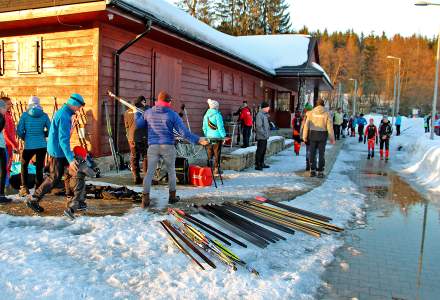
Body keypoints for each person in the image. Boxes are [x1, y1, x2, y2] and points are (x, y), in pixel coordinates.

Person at [136, 91, 208, 208]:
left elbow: (139, 125)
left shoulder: (148, 113)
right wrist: (197, 139)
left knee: (149, 173)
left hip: (153, 146)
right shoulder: (172, 114)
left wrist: (138, 114)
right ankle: (172, 197)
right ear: (168, 102)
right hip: (168, 146)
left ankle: (145, 200)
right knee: (171, 171)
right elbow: (184, 133)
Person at [26, 93, 87, 216]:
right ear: (74, 104)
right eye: (79, 106)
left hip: (59, 150)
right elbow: (63, 139)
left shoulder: (64, 113)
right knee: (54, 178)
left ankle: (72, 200)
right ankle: (34, 199)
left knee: (69, 173)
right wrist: (70, 158)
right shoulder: (64, 116)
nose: (79, 109)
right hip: (58, 151)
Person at [16, 96, 51, 196]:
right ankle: (38, 187)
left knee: (24, 164)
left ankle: (24, 187)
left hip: (29, 144)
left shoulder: (25, 115)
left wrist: (25, 137)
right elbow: (50, 129)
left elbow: (19, 131)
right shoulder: (44, 115)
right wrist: (43, 134)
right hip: (41, 145)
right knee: (39, 167)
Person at [302, 99, 335, 178]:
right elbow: (330, 127)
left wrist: (304, 137)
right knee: (321, 154)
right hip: (322, 135)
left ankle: (312, 171)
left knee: (312, 153)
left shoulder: (310, 113)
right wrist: (332, 138)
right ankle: (320, 171)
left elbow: (306, 126)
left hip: (312, 135)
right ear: (323, 104)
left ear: (316, 104)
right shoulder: (327, 113)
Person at [124, 95, 149, 184]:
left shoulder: (127, 112)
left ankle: (136, 177)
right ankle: (146, 178)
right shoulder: (144, 111)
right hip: (143, 137)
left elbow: (126, 126)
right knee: (146, 156)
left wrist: (129, 137)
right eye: (145, 102)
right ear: (142, 102)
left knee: (134, 157)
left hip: (131, 138)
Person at [203, 99, 226, 175]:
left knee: (209, 153)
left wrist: (207, 135)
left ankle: (209, 168)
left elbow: (204, 127)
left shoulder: (206, 115)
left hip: (209, 137)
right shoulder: (217, 115)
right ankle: (216, 168)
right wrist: (223, 136)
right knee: (217, 153)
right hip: (217, 137)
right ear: (216, 107)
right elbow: (220, 127)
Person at [2, 96, 19, 182]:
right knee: (5, 166)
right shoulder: (4, 115)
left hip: (9, 145)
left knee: (8, 165)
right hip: (6, 145)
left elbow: (11, 131)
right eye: (8, 104)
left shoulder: (8, 114)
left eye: (10, 103)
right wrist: (13, 145)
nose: (11, 105)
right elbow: (5, 133)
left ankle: (6, 185)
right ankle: (5, 186)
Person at [0, 100, 12, 203]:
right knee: (3, 170)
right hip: (0, 147)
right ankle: (1, 195)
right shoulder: (1, 118)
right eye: (4, 108)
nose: (6, 109)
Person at [255, 102, 271, 171]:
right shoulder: (259, 115)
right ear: (264, 108)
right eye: (268, 107)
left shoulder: (265, 115)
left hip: (265, 136)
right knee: (260, 151)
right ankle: (258, 164)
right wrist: (264, 133)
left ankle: (262, 163)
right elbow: (259, 126)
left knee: (263, 150)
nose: (269, 108)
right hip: (261, 136)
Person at [300, 103, 313, 171]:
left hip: (307, 136)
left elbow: (302, 127)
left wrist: (302, 136)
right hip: (314, 136)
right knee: (313, 151)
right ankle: (312, 164)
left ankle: (308, 165)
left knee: (308, 150)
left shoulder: (305, 116)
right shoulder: (314, 116)